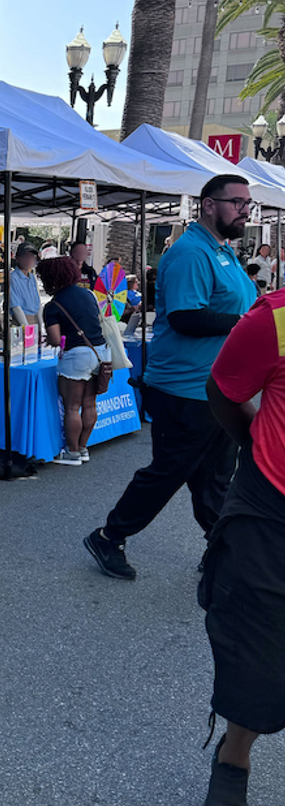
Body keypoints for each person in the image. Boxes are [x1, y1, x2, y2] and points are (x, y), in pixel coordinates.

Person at [84, 174, 257, 580]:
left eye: (249, 204)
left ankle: (222, 549)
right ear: (209, 205)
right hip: (184, 389)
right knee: (169, 472)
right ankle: (109, 536)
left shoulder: (224, 252)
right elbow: (185, 316)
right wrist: (248, 324)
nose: (246, 210)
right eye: (238, 202)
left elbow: (239, 305)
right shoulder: (190, 253)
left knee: (214, 478)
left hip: (218, 388)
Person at [199, 285, 285, 806]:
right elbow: (224, 389)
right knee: (258, 655)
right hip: (272, 508)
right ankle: (233, 759)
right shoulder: (277, 318)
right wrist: (259, 442)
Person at [39, 256, 109, 467]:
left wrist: (52, 340)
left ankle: (72, 452)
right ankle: (83, 447)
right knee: (89, 404)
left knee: (72, 407)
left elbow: (54, 339)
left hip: (76, 356)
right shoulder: (88, 294)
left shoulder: (53, 306)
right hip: (100, 353)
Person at [10, 244, 41, 324]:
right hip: (21, 320)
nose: (29, 260)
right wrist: (26, 328)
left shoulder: (32, 277)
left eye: (32, 257)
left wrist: (41, 325)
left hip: (35, 319)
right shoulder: (13, 278)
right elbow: (15, 307)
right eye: (25, 256)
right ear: (17, 258)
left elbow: (38, 303)